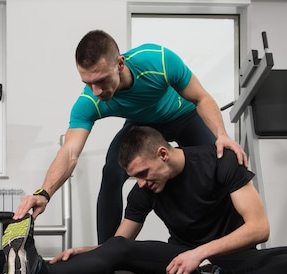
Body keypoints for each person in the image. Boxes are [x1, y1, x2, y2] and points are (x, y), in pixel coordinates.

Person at [1, 126, 287, 274]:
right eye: (135, 178)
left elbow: (259, 228)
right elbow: (121, 244)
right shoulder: (145, 188)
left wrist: (200, 253)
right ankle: (41, 273)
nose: (142, 183)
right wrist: (85, 252)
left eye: (144, 174)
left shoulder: (220, 162)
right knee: (117, 251)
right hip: (178, 264)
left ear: (163, 154)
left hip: (235, 260)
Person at [14, 29, 247, 244]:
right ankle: (106, 258)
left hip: (184, 115)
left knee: (222, 162)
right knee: (112, 171)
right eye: (88, 83)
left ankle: (238, 242)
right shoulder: (90, 101)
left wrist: (222, 135)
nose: (96, 90)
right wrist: (44, 193)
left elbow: (201, 98)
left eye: (101, 80)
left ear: (120, 64)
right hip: (142, 125)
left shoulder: (158, 60)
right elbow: (70, 152)